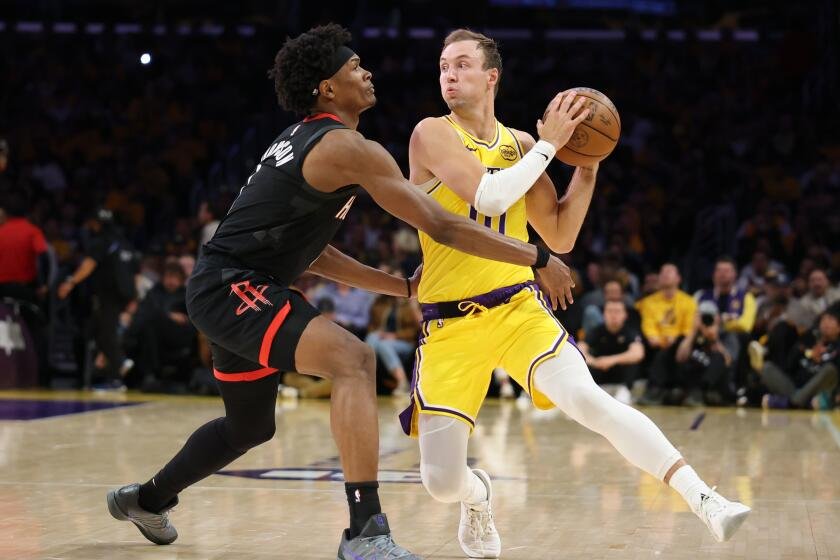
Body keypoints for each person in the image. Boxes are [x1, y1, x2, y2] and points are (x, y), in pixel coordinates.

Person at [105, 24, 576, 560]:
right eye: (355, 67)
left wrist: (399, 286)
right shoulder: (346, 146)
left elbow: (313, 253)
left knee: (249, 426)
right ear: (327, 88)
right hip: (235, 286)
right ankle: (365, 532)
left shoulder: (301, 139)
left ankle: (145, 499)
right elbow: (443, 224)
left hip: (231, 287)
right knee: (354, 360)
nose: (367, 72)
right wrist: (538, 257)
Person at [402, 29, 749, 558]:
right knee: (441, 483)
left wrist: (587, 167)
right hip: (448, 324)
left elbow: (561, 235)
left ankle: (703, 497)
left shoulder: (520, 146)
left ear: (492, 77)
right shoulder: (431, 133)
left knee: (589, 400)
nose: (449, 74)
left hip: (515, 307)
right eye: (444, 66)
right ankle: (477, 496)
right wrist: (550, 146)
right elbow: (489, 195)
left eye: (462, 64)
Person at [57, 208, 138, 387]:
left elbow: (88, 265)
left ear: (96, 224)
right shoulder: (125, 243)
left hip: (108, 296)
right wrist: (134, 299)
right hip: (124, 297)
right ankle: (100, 374)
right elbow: (135, 274)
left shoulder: (101, 242)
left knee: (106, 335)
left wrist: (70, 282)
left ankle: (119, 370)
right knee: (93, 332)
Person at [636, 263, 697, 405]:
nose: (666, 275)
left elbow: (688, 330)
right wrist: (662, 340)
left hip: (681, 345)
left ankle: (655, 389)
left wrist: (676, 341)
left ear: (678, 278)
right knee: (662, 352)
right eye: (663, 273)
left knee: (681, 345)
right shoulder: (648, 302)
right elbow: (649, 330)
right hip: (656, 345)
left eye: (670, 272)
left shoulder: (689, 302)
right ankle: (671, 390)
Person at [757, 309, 839, 410]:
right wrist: (806, 353)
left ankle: (790, 403)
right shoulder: (809, 338)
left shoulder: (837, 348)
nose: (826, 323)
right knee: (767, 368)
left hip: (818, 391)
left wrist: (820, 360)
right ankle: (802, 403)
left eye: (830, 320)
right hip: (795, 387)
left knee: (830, 369)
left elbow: (833, 376)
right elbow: (789, 365)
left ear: (838, 328)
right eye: (824, 319)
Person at [578, 300, 645, 405]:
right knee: (583, 365)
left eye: (617, 311)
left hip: (621, 374)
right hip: (600, 371)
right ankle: (589, 394)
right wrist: (594, 362)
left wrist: (612, 360)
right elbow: (579, 350)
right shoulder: (595, 331)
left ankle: (625, 392)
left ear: (625, 315)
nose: (613, 315)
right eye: (610, 311)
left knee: (632, 364)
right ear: (604, 314)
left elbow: (638, 354)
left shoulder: (630, 332)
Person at [672, 301, 736, 406]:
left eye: (710, 316)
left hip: (714, 385)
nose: (706, 319)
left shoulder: (727, 335)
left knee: (719, 358)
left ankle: (704, 392)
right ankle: (687, 391)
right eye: (702, 316)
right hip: (692, 381)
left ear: (718, 318)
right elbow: (680, 358)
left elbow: (728, 361)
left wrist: (715, 339)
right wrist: (693, 332)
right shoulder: (692, 335)